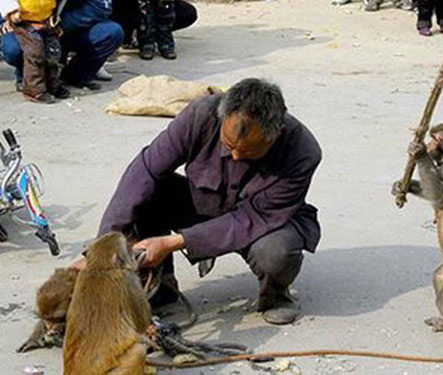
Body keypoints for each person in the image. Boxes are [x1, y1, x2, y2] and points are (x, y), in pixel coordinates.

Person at [96, 78, 322, 325]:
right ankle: (163, 295)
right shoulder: (200, 115)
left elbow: (252, 219)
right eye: (228, 145)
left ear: (274, 135)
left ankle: (275, 294)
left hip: (260, 222)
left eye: (247, 152)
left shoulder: (302, 152)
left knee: (278, 250)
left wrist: (174, 242)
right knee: (147, 192)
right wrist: (102, 248)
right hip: (203, 205)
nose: (235, 156)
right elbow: (145, 170)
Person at [1, 0, 124, 92]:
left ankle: (76, 75)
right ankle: (28, 77)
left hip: (65, 27)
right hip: (25, 27)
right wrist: (7, 16)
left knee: (111, 32)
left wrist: (60, 25)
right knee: (14, 49)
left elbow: (101, 6)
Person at [1, 0, 70, 103]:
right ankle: (34, 90)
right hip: (24, 22)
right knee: (35, 54)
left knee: (52, 54)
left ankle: (52, 84)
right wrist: (11, 12)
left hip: (48, 20)